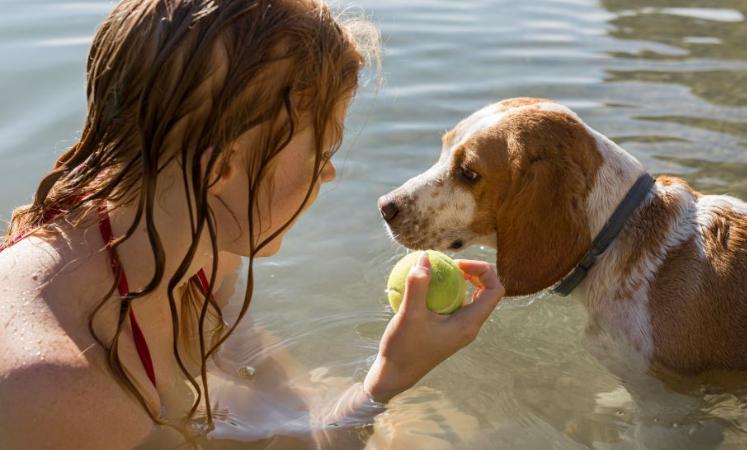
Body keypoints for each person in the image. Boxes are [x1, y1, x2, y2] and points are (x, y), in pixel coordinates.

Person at [0, 0, 505, 448]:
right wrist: (389, 380)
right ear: (220, 168)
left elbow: (266, 380)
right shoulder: (59, 394)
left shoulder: (197, 243)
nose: (328, 174)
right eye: (322, 152)